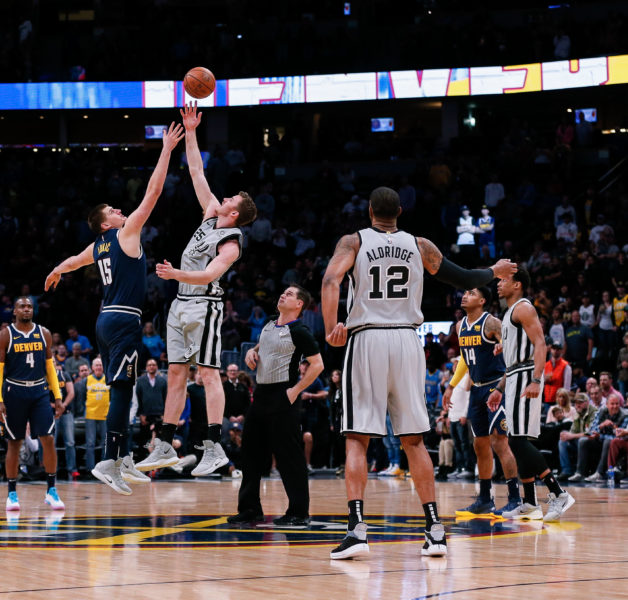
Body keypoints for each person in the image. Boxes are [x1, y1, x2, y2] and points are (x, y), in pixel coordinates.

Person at [321, 186, 517, 559]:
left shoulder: (354, 242)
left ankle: (357, 530)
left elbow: (331, 282)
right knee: (413, 440)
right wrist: (494, 270)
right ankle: (435, 531)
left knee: (357, 438)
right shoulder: (419, 244)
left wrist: (332, 327)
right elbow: (462, 277)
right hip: (409, 342)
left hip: (368, 338)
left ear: (369, 210)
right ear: (400, 211)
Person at [45, 121, 184, 494]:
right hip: (122, 319)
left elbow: (75, 259)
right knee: (122, 389)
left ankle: (122, 456)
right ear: (105, 222)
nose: (121, 209)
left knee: (123, 385)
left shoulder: (98, 246)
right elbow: (153, 193)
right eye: (113, 209)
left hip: (107, 320)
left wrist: (58, 268)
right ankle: (111, 459)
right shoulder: (124, 234)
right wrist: (167, 149)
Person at [137, 102, 258, 477]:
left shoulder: (231, 242)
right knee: (176, 373)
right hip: (180, 305)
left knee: (207, 374)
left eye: (230, 201)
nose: (224, 198)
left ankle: (215, 446)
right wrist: (191, 131)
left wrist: (174, 274)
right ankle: (163, 445)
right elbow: (195, 169)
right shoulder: (210, 212)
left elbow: (208, 276)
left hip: (205, 305)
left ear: (234, 213)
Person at [229, 285, 323, 527]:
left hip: (283, 396)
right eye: (284, 292)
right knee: (250, 453)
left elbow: (318, 365)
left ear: (299, 304)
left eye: (290, 294)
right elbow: (262, 347)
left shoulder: (300, 330)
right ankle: (250, 509)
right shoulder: (270, 323)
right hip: (260, 394)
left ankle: (299, 512)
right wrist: (252, 351)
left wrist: (295, 391)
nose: (283, 294)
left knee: (288, 457)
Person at [491, 269, 575, 521]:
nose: (498, 284)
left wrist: (537, 379)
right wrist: (499, 388)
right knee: (517, 439)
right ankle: (529, 502)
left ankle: (558, 493)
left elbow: (541, 343)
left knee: (517, 440)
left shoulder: (523, 308)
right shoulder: (509, 313)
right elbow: (513, 360)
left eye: (503, 280)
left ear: (517, 284)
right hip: (515, 376)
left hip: (527, 376)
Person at [443, 288, 523, 518]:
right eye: (464, 292)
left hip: (496, 386)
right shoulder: (460, 326)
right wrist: (450, 385)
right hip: (476, 390)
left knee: (500, 442)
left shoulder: (492, 323)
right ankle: (485, 500)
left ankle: (515, 499)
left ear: (482, 300)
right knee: (480, 445)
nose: (464, 295)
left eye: (471, 293)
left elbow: (515, 350)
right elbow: (465, 361)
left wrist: (503, 347)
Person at [0, 297, 64, 512]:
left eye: (29, 306)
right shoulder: (5, 335)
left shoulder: (44, 333)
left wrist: (57, 397)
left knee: (48, 439)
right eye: (22, 306)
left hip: (39, 391)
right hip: (14, 391)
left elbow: (50, 367)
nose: (26, 309)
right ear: (14, 311)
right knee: (14, 443)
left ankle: (51, 490)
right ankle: (12, 493)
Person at [83, 358, 110, 474]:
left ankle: (103, 469)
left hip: (105, 415)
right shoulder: (87, 380)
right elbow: (81, 397)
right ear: (92, 368)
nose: (98, 367)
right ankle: (90, 469)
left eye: (100, 365)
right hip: (91, 415)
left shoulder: (108, 379)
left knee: (105, 442)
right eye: (96, 365)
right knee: (90, 443)